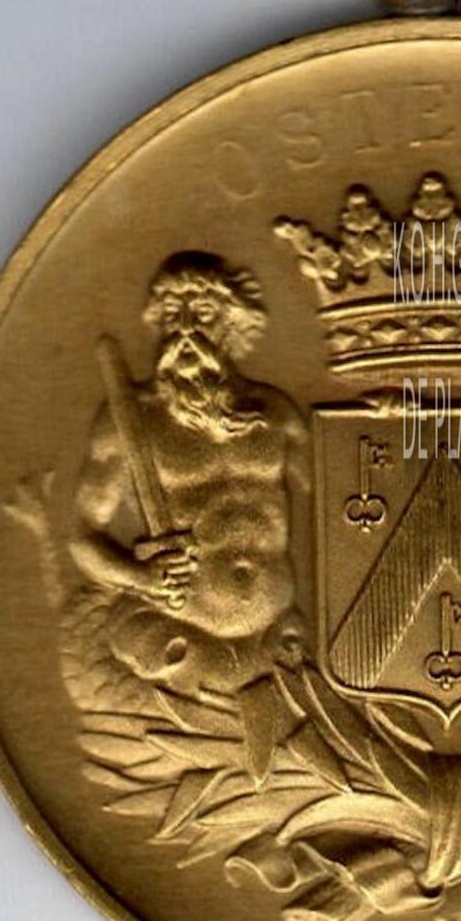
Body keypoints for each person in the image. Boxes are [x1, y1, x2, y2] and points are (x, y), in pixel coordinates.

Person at [70, 251, 308, 694]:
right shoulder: (129, 421)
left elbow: (334, 504)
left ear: (232, 322)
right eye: (171, 316)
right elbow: (84, 538)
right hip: (178, 625)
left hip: (275, 628)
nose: (185, 330)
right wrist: (142, 579)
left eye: (202, 314)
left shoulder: (278, 415)